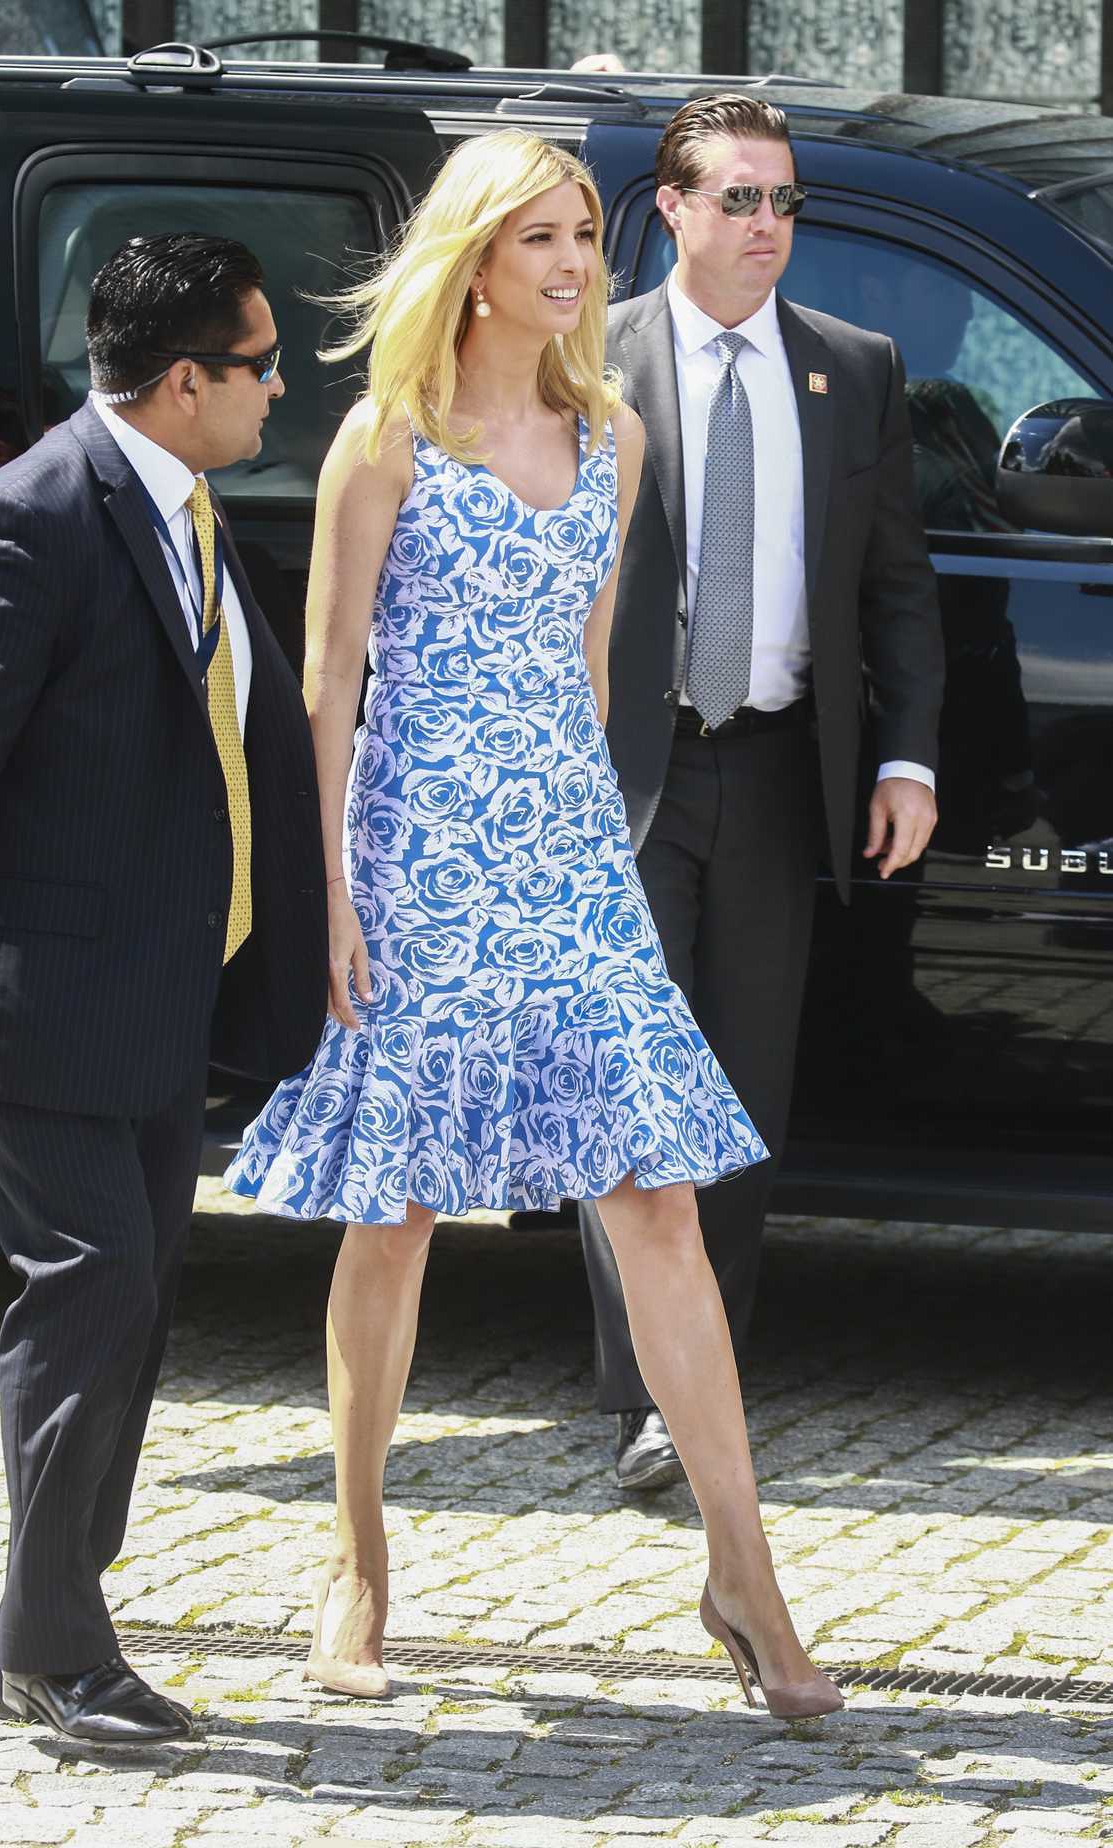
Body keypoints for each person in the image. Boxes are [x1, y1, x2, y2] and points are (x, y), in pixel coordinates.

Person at [226, 129, 842, 1721]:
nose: (574, 266)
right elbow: (327, 679)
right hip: (416, 862)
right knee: (398, 1214)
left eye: (582, 235)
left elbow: (583, 673)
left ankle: (743, 1571)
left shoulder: (615, 432)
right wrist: (332, 899)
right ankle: (357, 1559)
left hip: (571, 862)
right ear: (474, 261)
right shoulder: (385, 437)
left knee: (658, 1207)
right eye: (539, 241)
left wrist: (595, 860)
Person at [0, 234, 328, 1743]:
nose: (284, 387)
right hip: (41, 1002)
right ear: (185, 379)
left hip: (156, 996)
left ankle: (53, 1616)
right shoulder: (23, 525)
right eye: (264, 363)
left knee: (129, 1307)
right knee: (93, 1291)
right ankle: (53, 1644)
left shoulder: (194, 512)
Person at [579, 95, 945, 1493]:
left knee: (739, 1095)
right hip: (628, 773)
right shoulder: (588, 357)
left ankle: (704, 1370)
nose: (764, 228)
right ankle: (644, 1403)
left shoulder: (852, 369)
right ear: (669, 209)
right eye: (737, 199)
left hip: (780, 769)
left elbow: (895, 587)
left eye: (783, 203)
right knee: (630, 1093)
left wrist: (905, 756)